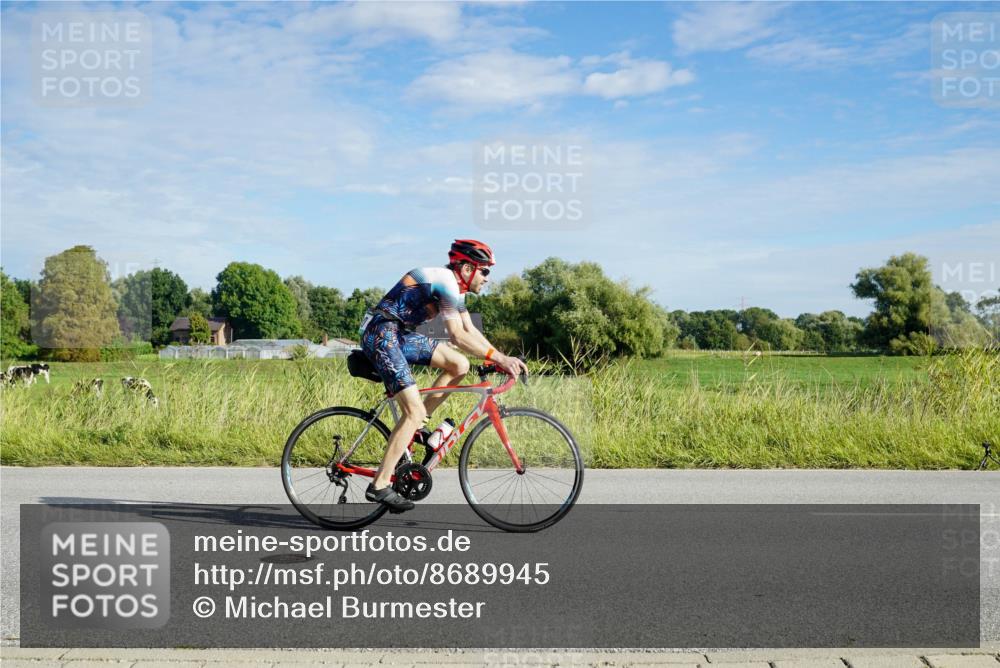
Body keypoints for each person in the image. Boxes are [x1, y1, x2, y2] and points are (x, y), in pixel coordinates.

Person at [360, 239, 529, 512]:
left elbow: (469, 331)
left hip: (398, 335)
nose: (487, 278)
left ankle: (415, 428)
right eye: (484, 271)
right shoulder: (446, 282)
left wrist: (501, 357)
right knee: (413, 411)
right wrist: (499, 358)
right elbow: (457, 335)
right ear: (465, 268)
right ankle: (379, 484)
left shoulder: (455, 289)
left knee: (459, 365)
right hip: (381, 334)